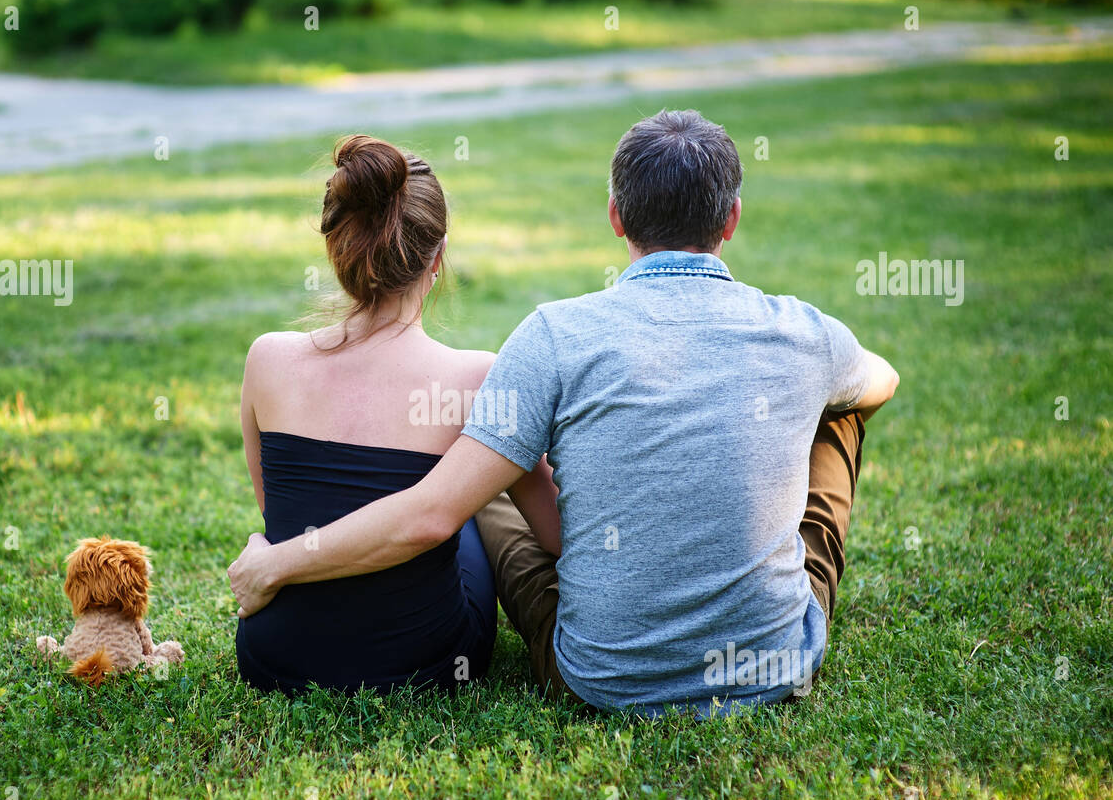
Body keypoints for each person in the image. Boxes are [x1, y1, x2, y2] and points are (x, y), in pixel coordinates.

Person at [230, 110, 899, 716]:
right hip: (770, 670)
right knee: (841, 410)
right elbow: (882, 380)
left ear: (616, 215)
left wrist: (279, 561)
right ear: (731, 219)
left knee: (485, 469)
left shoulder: (552, 334)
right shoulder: (802, 330)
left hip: (598, 674)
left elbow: (335, 507)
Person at [233, 135, 539, 695]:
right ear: (438, 255)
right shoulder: (477, 378)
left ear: (337, 247)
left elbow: (280, 509)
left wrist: (270, 562)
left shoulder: (266, 359)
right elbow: (556, 531)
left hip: (271, 657)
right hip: (424, 663)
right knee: (474, 496)